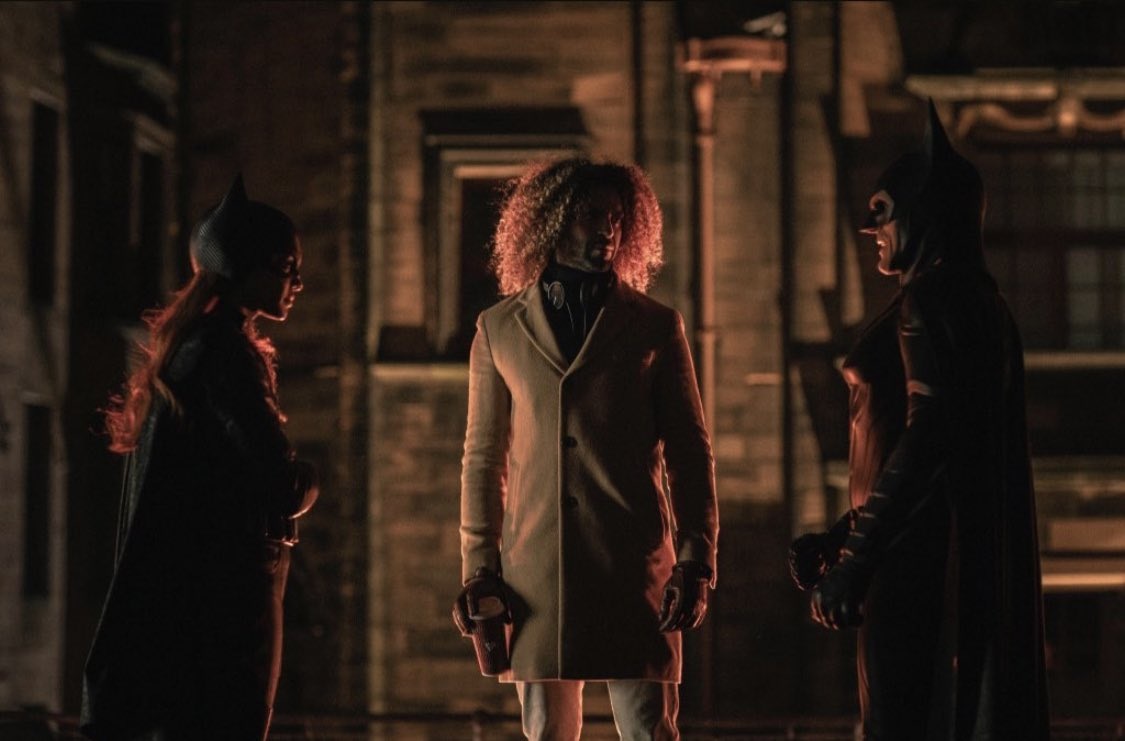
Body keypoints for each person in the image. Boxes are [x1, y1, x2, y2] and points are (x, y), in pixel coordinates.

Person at [788, 101, 1049, 739]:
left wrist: (857, 558)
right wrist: (847, 535)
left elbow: (930, 436)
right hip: (922, 553)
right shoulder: (969, 301)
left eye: (883, 211)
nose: (871, 227)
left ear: (923, 213)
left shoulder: (933, 301)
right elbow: (932, 443)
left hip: (915, 568)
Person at [453, 157, 719, 740]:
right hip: (535, 575)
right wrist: (479, 569)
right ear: (552, 221)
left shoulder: (656, 326)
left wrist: (696, 559)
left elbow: (690, 452)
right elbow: (482, 459)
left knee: (650, 732)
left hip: (636, 568)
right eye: (593, 214)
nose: (609, 228)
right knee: (547, 732)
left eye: (618, 216)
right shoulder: (498, 328)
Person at [81, 176, 319, 741]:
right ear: (250, 269)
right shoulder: (223, 354)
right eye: (287, 266)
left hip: (191, 618)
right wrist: (309, 479)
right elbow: (282, 483)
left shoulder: (193, 347)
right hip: (219, 621)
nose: (297, 283)